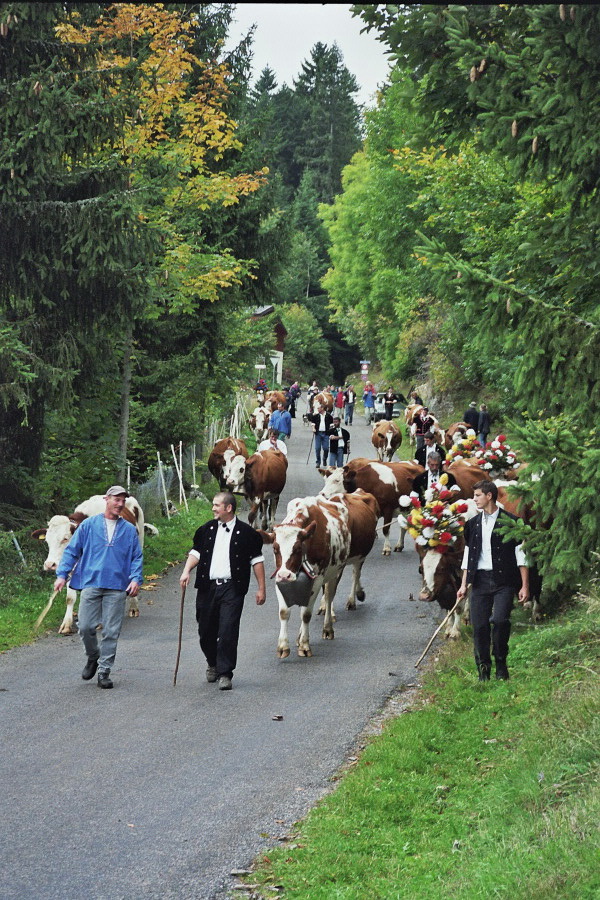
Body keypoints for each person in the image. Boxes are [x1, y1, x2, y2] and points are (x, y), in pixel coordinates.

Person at [53, 486, 143, 689]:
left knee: (111, 631)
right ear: (107, 499)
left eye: (123, 501)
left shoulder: (129, 530)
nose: (120, 504)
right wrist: (61, 575)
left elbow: (136, 557)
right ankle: (93, 656)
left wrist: (136, 579)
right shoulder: (89, 526)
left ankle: (104, 671)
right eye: (116, 500)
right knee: (85, 627)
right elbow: (72, 551)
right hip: (91, 583)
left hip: (117, 586)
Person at [179, 491, 266, 691]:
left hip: (232, 588)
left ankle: (225, 673)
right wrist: (186, 571)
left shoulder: (246, 533)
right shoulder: (206, 529)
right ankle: (212, 662)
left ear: (228, 508)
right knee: (205, 631)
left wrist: (261, 588)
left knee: (227, 630)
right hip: (207, 587)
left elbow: (257, 561)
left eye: (216, 505)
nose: (213, 508)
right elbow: (196, 552)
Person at [456, 481, 529, 682]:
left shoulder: (511, 522)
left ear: (489, 496)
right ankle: (483, 669)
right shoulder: (472, 524)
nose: (474, 499)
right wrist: (463, 585)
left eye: (477, 495)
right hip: (479, 581)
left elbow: (521, 556)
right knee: (479, 626)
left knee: (500, 621)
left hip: (504, 581)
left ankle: (501, 664)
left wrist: (524, 586)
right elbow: (468, 556)